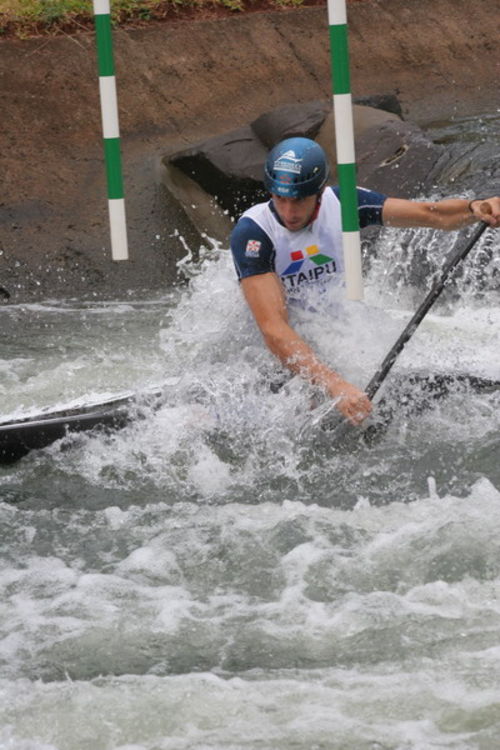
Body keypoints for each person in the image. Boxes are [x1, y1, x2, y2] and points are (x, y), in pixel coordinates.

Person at [230, 137, 500, 425]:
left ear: (318, 192)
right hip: (277, 360)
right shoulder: (254, 234)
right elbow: (274, 329)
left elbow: (429, 215)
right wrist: (336, 386)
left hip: (336, 339)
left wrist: (474, 208)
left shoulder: (345, 202)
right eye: (280, 199)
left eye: (299, 200)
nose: (288, 212)